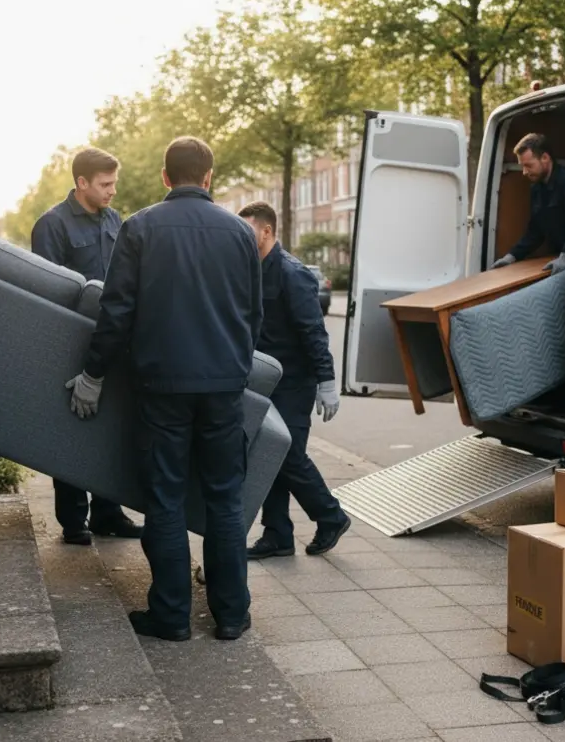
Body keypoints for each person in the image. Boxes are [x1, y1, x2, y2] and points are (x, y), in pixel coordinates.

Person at [65, 136, 262, 643]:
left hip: (163, 385)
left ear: (165, 177)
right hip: (223, 387)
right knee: (224, 499)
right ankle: (232, 615)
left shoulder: (140, 227)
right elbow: (252, 314)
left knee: (166, 500)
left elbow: (116, 310)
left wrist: (94, 373)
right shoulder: (240, 232)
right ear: (210, 177)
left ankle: (172, 617)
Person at [31, 147, 142, 545]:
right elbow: (49, 291)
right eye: (105, 184)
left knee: (112, 428)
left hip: (112, 341)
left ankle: (108, 514)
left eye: (114, 182)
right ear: (81, 183)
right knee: (72, 429)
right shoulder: (52, 225)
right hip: (69, 343)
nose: (113, 190)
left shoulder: (116, 221)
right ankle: (73, 520)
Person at [237, 202, 352, 560]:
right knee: (267, 453)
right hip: (265, 381)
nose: (242, 237)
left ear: (267, 231)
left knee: (286, 455)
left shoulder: (291, 273)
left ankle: (330, 515)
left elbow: (313, 330)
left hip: (294, 383)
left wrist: (326, 381)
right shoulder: (253, 269)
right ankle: (277, 535)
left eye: (248, 230)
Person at [490, 133, 565, 275]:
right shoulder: (537, 188)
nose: (524, 172)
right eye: (522, 166)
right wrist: (512, 256)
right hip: (559, 258)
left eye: (528, 165)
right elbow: (535, 230)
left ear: (545, 158)